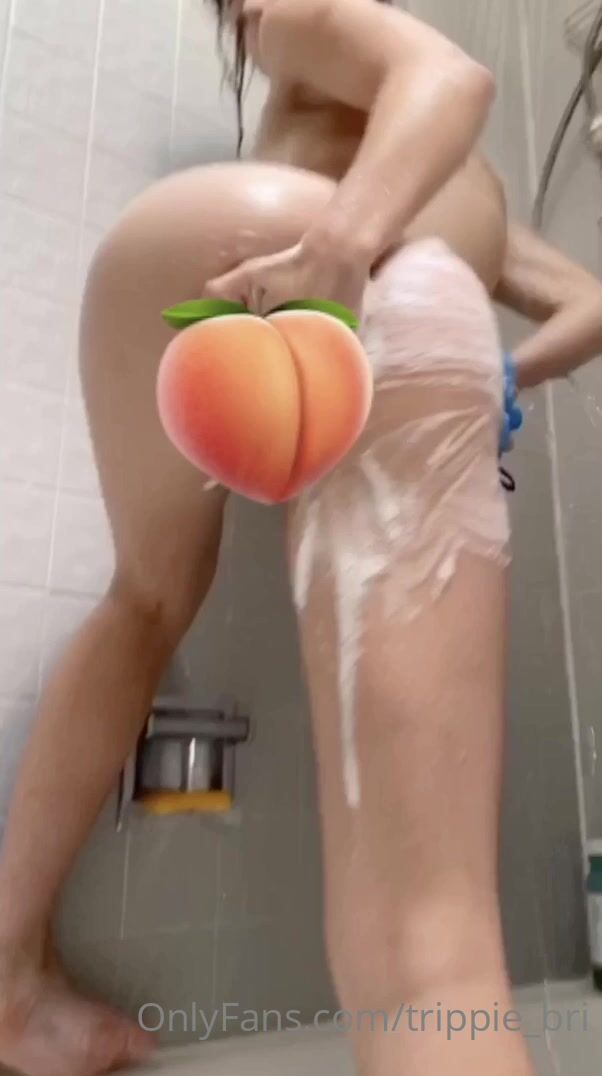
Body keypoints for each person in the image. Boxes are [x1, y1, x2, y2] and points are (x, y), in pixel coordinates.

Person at [0, 1, 601, 1074]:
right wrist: (343, 251)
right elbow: (450, 78)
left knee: (146, 596)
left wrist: (497, 374)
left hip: (207, 260)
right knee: (431, 948)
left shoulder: (433, 172)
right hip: (328, 265)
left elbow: (588, 303)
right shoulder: (306, 24)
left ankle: (8, 971)